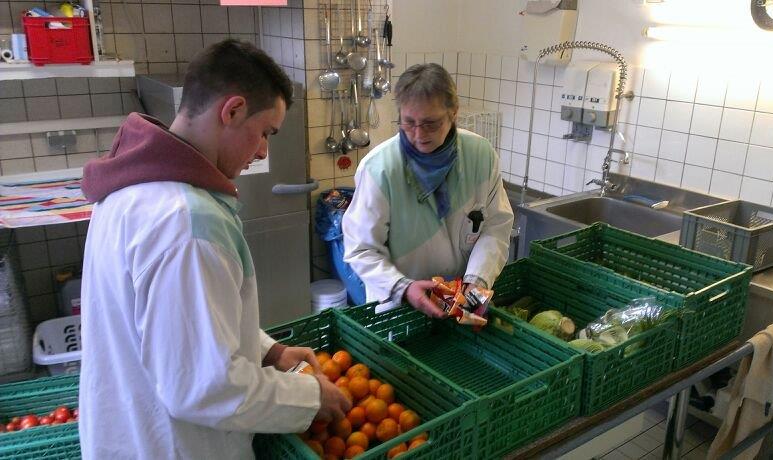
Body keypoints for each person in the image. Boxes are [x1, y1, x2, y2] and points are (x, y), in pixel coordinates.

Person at [79, 39, 350, 459]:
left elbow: (186, 323)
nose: (262, 150)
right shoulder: (185, 224)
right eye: (264, 132)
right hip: (173, 446)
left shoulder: (131, 187)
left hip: (129, 432)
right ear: (233, 110)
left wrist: (269, 351)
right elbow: (203, 386)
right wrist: (310, 398)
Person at [342, 63, 514, 316]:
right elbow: (361, 249)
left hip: (461, 301)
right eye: (409, 122)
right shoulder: (380, 169)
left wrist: (476, 283)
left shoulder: (480, 155)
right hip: (399, 304)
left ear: (453, 113)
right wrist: (403, 287)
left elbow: (495, 227)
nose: (419, 134)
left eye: (431, 123)